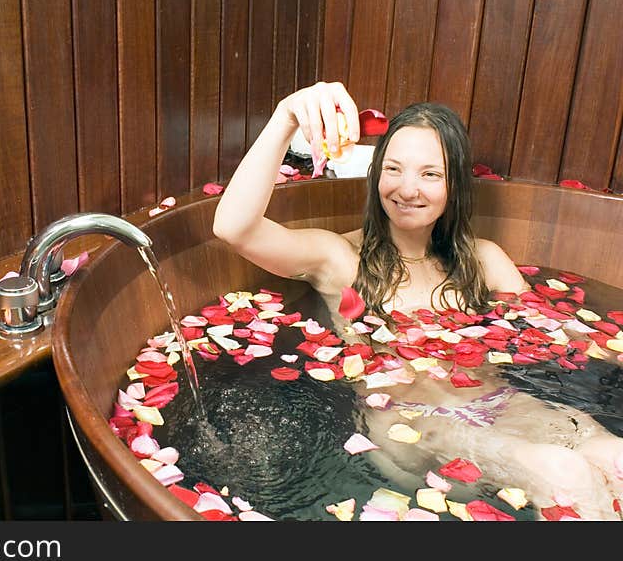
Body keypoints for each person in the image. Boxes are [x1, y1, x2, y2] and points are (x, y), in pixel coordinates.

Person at [213, 81, 623, 520]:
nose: (407, 189)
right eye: (393, 169)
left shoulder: (483, 261)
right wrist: (285, 116)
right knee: (562, 472)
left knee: (615, 456)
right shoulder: (339, 259)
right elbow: (235, 228)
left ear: (454, 186)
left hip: (502, 406)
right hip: (410, 425)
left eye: (430, 174)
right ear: (376, 175)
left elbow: (570, 338)